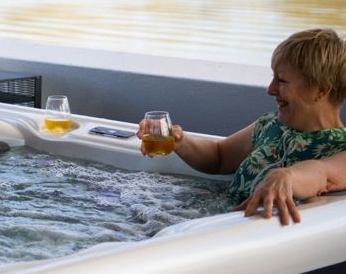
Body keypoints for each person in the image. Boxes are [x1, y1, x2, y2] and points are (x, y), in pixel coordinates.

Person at [137, 28, 346, 225]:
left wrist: (286, 175)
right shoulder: (269, 125)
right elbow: (219, 158)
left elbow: (322, 174)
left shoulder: (341, 149)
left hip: (249, 240)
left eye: (281, 80)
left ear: (320, 90)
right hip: (212, 221)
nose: (270, 89)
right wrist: (179, 142)